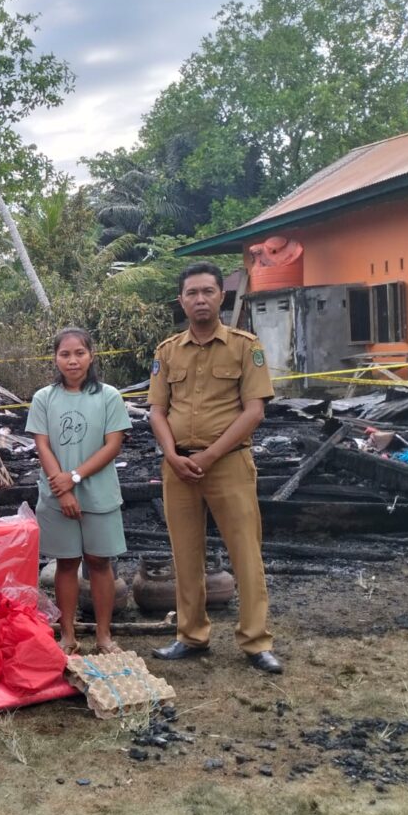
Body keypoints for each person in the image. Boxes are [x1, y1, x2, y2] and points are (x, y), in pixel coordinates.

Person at [147, 261, 283, 674]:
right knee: (185, 553)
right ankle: (191, 635)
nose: (200, 299)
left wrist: (206, 457)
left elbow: (254, 411)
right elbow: (156, 410)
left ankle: (256, 641)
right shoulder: (167, 352)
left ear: (221, 296)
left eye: (208, 291)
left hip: (227, 463)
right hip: (178, 466)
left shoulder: (246, 346)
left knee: (245, 551)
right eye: (192, 293)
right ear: (182, 301)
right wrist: (173, 455)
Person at [27, 327, 132, 656]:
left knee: (100, 563)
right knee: (67, 563)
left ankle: (103, 636)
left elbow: (113, 445)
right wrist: (62, 487)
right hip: (57, 494)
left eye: (79, 353)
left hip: (98, 494)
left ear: (91, 355)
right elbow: (41, 444)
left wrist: (73, 477)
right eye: (65, 354)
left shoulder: (109, 397)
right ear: (55, 358)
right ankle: (68, 636)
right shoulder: (44, 398)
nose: (72, 361)